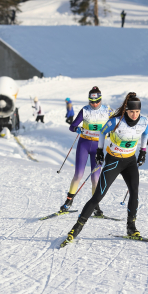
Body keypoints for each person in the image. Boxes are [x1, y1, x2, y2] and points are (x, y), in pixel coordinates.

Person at [61, 92, 148, 246]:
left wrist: (143, 151)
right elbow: (102, 132)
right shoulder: (115, 121)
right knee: (98, 196)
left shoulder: (144, 121)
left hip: (130, 161)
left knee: (134, 192)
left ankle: (131, 227)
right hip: (114, 161)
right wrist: (100, 151)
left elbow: (145, 133)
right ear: (126, 110)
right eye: (131, 111)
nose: (134, 115)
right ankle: (76, 228)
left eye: (137, 112)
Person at [59, 86, 112, 217]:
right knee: (78, 175)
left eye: (97, 101)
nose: (94, 104)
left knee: (95, 178)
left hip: (98, 147)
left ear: (101, 99)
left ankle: (95, 206)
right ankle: (68, 202)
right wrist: (77, 129)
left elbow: (116, 125)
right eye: (91, 102)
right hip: (84, 144)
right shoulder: (85, 110)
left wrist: (112, 133)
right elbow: (72, 126)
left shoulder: (107, 111)